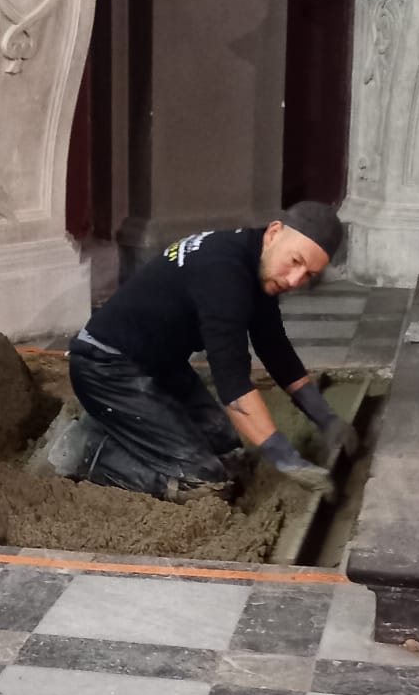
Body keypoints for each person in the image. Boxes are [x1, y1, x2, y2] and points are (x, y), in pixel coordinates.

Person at [67, 205, 348, 502]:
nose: (294, 280)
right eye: (295, 261)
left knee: (228, 452)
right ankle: (89, 450)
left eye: (308, 275)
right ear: (274, 232)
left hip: (160, 364)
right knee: (204, 483)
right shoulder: (224, 273)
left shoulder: (254, 259)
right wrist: (286, 459)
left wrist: (326, 418)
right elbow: (233, 384)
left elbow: (274, 346)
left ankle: (124, 429)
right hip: (105, 367)